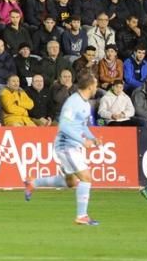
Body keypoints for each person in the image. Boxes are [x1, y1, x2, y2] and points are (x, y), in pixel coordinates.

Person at [24, 71, 103, 226]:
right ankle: (81, 216)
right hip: (66, 146)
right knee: (86, 177)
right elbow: (65, 126)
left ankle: (33, 183)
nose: (96, 88)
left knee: (71, 182)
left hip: (72, 146)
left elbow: (81, 125)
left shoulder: (85, 104)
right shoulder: (73, 102)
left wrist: (92, 138)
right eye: (95, 85)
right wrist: (83, 141)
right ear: (90, 86)